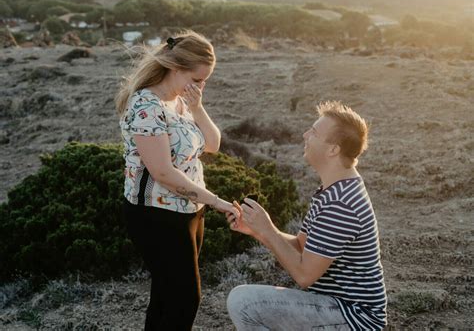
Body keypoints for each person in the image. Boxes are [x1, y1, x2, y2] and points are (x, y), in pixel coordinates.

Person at [116, 31, 239, 330]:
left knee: (166, 294)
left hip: (188, 210)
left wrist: (197, 107)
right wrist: (216, 201)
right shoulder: (147, 106)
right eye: (196, 79)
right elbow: (162, 172)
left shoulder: (179, 103)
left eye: (205, 80)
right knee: (185, 299)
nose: (200, 86)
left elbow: (212, 144)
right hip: (155, 215)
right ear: (175, 68)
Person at [227, 101, 387, 330]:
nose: (305, 135)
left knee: (243, 303)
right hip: (337, 307)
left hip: (355, 318)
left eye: (313, 132)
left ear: (333, 149)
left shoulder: (341, 203)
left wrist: (268, 229)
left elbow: (304, 275)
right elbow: (301, 246)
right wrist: (257, 230)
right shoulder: (333, 190)